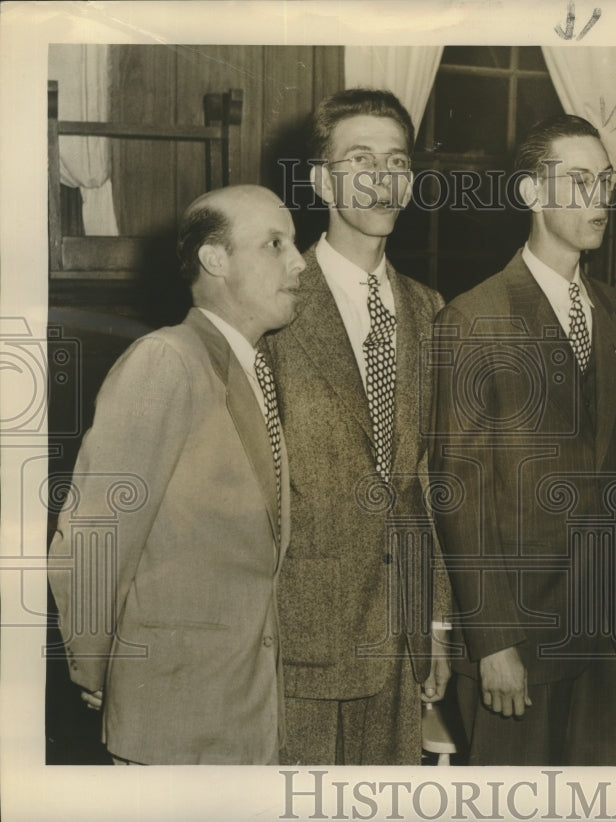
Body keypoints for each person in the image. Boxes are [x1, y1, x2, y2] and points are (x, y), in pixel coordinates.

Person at [47, 185, 305, 764]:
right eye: (274, 243)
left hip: (239, 712)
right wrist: (94, 665)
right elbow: (96, 531)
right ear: (216, 260)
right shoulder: (166, 360)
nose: (299, 261)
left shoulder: (247, 365)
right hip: (172, 719)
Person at [430, 114, 616, 766]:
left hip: (597, 633)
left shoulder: (612, 309)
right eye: (578, 181)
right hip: (514, 636)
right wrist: (492, 642)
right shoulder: (474, 316)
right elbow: (456, 490)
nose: (598, 199)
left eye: (604, 181)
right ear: (529, 193)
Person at [261, 88, 451, 766]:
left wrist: (435, 618)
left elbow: (430, 479)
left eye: (396, 161)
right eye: (360, 159)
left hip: (399, 638)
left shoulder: (431, 310)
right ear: (320, 180)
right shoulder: (276, 303)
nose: (381, 179)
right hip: (297, 633)